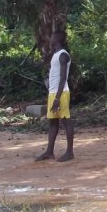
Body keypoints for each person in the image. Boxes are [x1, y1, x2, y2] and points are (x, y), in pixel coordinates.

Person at [36, 30, 74, 162]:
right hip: (53, 92)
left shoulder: (63, 55)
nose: (49, 39)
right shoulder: (56, 54)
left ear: (57, 39)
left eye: (51, 37)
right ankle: (49, 151)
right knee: (53, 123)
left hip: (61, 92)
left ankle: (70, 152)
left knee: (66, 120)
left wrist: (57, 98)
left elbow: (63, 78)